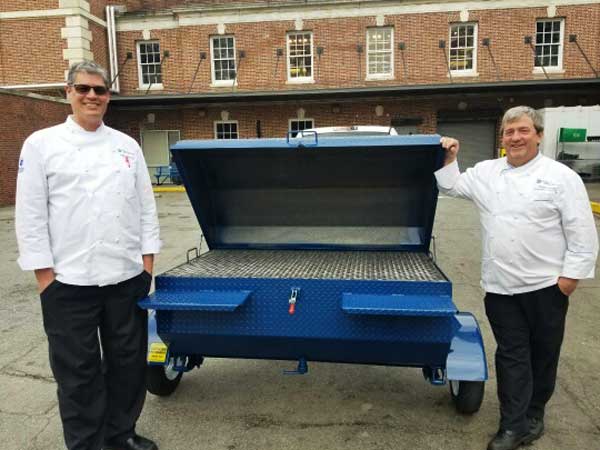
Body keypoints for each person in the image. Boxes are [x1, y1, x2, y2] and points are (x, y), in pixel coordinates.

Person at [15, 61, 161, 450]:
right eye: (83, 89)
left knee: (128, 365)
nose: (92, 96)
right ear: (68, 92)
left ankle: (121, 433)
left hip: (125, 278)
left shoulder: (126, 146)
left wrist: (146, 265)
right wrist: (45, 278)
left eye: (100, 90)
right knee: (78, 374)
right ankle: (87, 443)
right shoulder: (41, 145)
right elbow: (30, 215)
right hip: (68, 282)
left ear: (109, 96)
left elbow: (146, 208)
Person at [436, 106, 598, 450]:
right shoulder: (488, 172)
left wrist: (569, 279)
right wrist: (450, 156)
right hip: (500, 286)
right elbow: (452, 187)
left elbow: (582, 231)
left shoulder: (561, 177)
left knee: (543, 354)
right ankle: (512, 426)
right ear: (503, 138)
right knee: (511, 355)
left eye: (523, 131)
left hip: (546, 287)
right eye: (509, 133)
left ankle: (534, 415)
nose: (515, 138)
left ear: (538, 135)